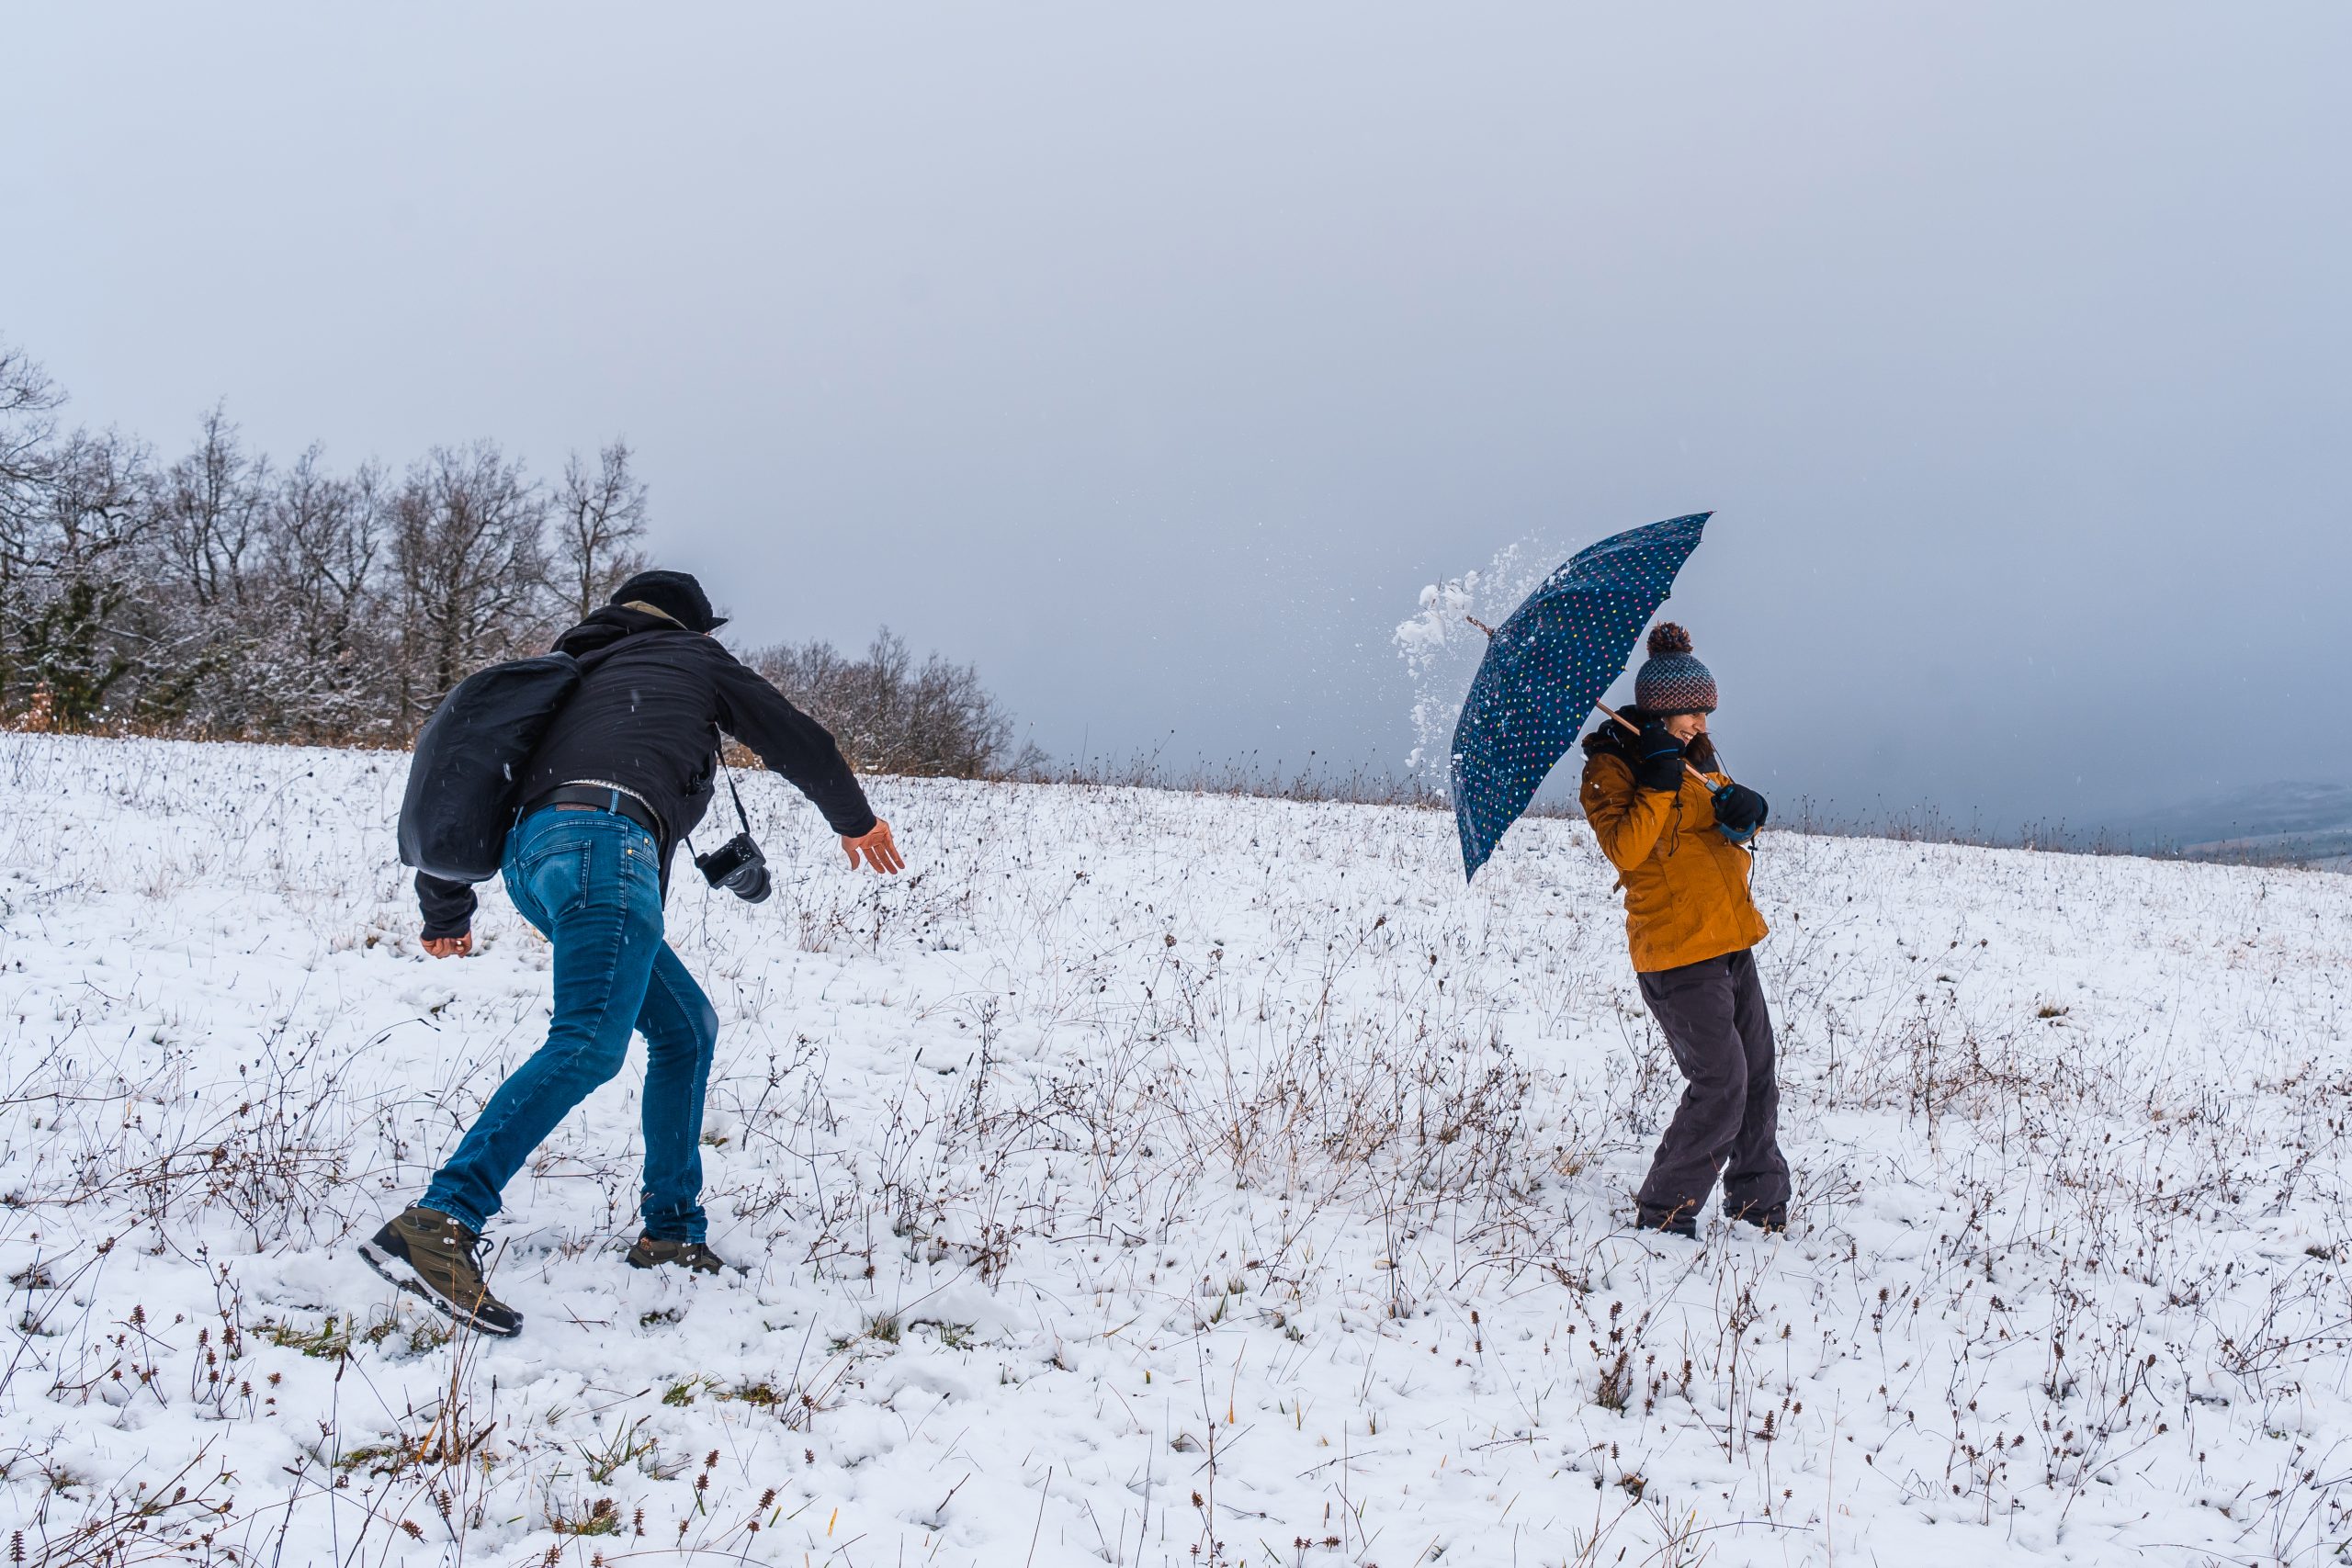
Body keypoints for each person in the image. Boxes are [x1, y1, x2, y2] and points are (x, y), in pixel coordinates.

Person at [361, 570, 906, 1335]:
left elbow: (468, 774)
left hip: (537, 859)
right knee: (589, 1041)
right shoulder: (690, 658)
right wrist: (854, 818)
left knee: (685, 1028)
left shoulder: (571, 670)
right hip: (604, 843)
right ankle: (442, 1219)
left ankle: (672, 1233)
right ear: (694, 628)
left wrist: (444, 904)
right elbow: (795, 737)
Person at [1578, 623, 1786, 1239]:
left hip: (1729, 940)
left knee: (1758, 1075)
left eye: (1706, 710)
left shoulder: (1697, 755)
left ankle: (1758, 1208)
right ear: (1664, 709)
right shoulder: (1609, 769)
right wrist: (1659, 783)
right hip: (1676, 954)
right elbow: (1628, 848)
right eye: (1694, 712)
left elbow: (1718, 822)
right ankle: (1665, 1213)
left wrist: (1746, 813)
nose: (1702, 722)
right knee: (1722, 1081)